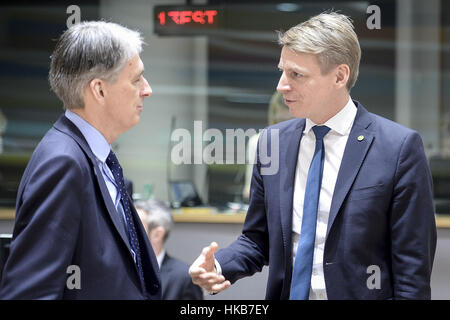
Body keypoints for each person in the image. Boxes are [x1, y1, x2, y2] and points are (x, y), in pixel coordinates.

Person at [189, 11, 437, 300]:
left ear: (340, 76)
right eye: (282, 71)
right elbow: (257, 240)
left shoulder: (398, 148)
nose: (281, 85)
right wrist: (218, 266)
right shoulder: (272, 142)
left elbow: (412, 274)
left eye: (296, 74)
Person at [0, 21, 161, 299]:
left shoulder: (96, 156)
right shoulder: (63, 162)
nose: (147, 89)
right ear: (99, 90)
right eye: (136, 79)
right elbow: (29, 292)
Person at [135, 199, 203, 300]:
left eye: (135, 226)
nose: (128, 231)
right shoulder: (121, 268)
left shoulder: (184, 278)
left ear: (157, 234)